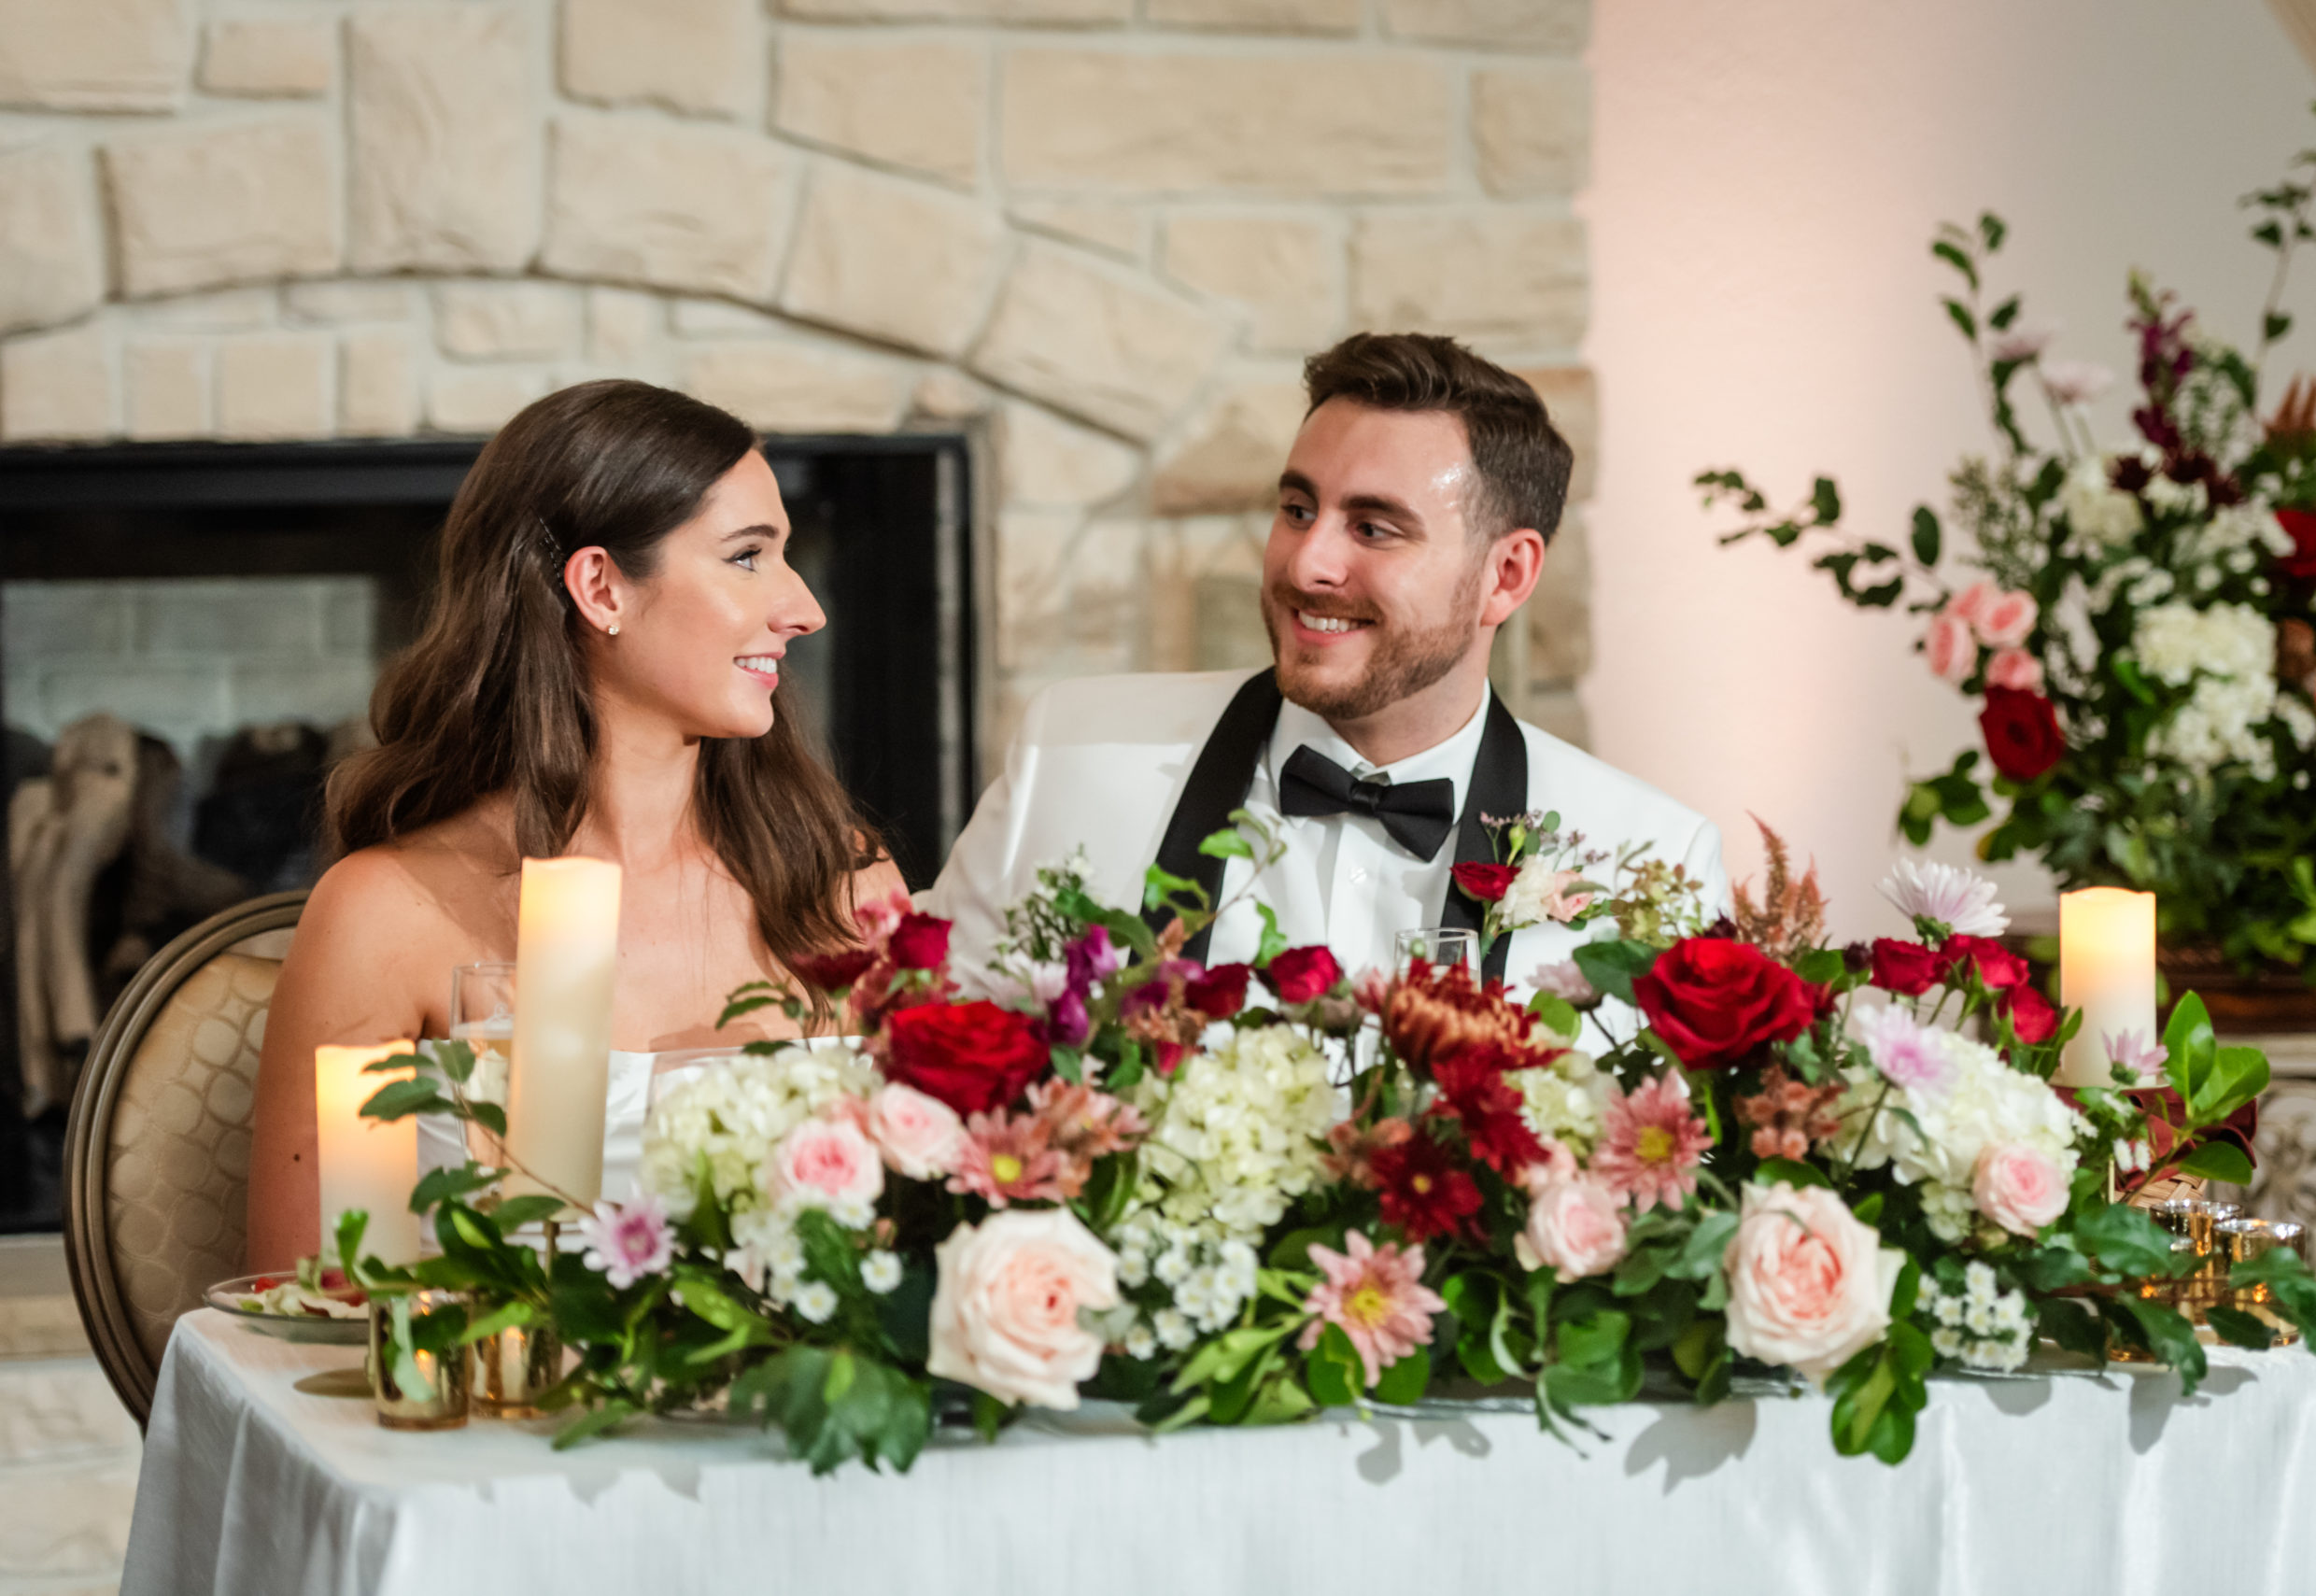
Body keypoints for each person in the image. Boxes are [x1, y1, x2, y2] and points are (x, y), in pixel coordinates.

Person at [247, 380, 900, 1272]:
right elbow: (311, 1307)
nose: (805, 609)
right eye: (748, 557)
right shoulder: (384, 915)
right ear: (600, 587)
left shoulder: (848, 886)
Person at [926, 332, 1723, 990]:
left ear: (1505, 575)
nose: (1307, 563)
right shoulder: (1073, 755)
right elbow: (915, 1039)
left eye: (1374, 528)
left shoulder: (1650, 861)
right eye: (1298, 508)